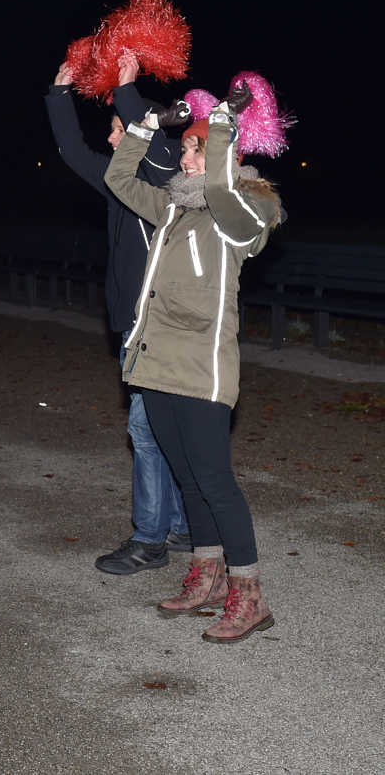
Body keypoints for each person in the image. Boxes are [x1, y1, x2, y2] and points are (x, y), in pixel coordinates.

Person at [104, 80, 280, 643]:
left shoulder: (246, 213)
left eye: (195, 148)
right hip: (156, 363)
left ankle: (248, 593)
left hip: (202, 368)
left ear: (228, 153)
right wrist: (147, 124)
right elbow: (117, 178)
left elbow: (225, 193)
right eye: (186, 147)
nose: (186, 155)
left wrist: (223, 122)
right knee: (183, 473)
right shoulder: (175, 207)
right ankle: (204, 572)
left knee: (214, 479)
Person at [46, 51, 191, 575]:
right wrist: (60, 94)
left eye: (118, 129)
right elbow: (71, 149)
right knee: (161, 429)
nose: (112, 139)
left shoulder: (163, 173)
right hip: (134, 324)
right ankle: (177, 527)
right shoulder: (119, 183)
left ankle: (150, 538)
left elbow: (151, 140)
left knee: (147, 431)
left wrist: (128, 91)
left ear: (146, 133)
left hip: (160, 325)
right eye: (112, 130)